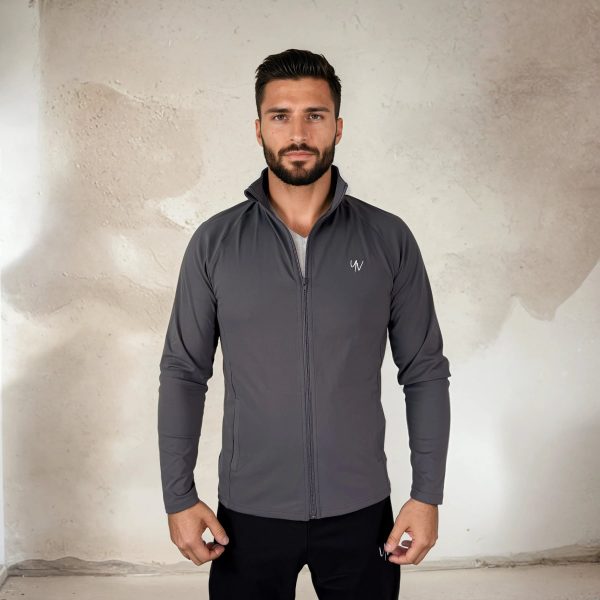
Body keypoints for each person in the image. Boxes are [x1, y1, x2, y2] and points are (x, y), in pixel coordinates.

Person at [157, 48, 451, 599]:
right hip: (248, 514)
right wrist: (179, 496)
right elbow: (183, 372)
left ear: (338, 127)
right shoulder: (215, 243)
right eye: (280, 116)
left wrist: (427, 494)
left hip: (361, 510)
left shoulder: (387, 239)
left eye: (314, 115)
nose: (297, 133)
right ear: (258, 129)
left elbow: (425, 371)